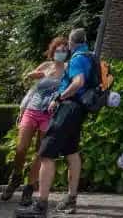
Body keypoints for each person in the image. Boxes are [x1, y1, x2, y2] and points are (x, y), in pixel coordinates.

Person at [17, 28, 94, 216]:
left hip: (68, 108)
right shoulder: (90, 56)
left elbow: (78, 82)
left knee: (46, 155)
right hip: (80, 111)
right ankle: (71, 199)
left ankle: (41, 206)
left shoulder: (76, 58)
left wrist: (59, 98)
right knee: (72, 153)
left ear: (71, 42)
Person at [3, 36, 69, 205]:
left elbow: (71, 87)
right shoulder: (45, 66)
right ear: (52, 51)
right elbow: (32, 85)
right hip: (32, 110)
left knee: (40, 153)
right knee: (21, 148)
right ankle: (16, 175)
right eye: (58, 50)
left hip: (49, 114)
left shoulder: (68, 70)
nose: (60, 53)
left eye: (64, 50)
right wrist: (32, 75)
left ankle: (29, 188)